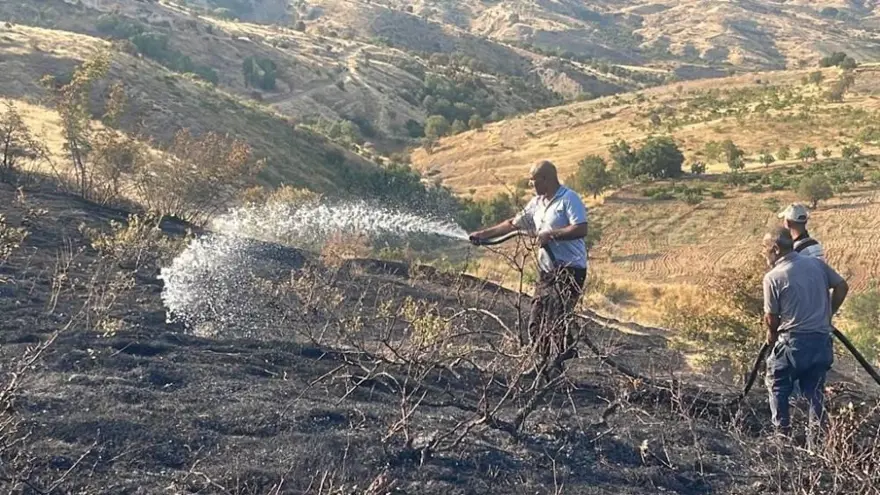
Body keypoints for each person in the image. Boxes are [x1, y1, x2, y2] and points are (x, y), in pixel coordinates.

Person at [469, 160, 589, 377]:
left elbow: (580, 228)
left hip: (569, 271)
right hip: (547, 271)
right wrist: (483, 235)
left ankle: (559, 363)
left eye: (533, 180)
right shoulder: (536, 203)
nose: (530, 184)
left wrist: (551, 235)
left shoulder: (569, 199)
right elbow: (512, 225)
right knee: (536, 321)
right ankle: (543, 365)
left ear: (546, 179)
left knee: (556, 320)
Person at [761, 227, 848, 439]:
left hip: (793, 344)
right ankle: (815, 445)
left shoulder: (773, 277)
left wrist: (771, 335)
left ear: (775, 249)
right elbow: (842, 287)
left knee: (778, 384)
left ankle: (783, 439)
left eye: (765, 249)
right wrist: (828, 314)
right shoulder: (816, 264)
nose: (764, 254)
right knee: (814, 392)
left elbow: (771, 317)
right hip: (821, 343)